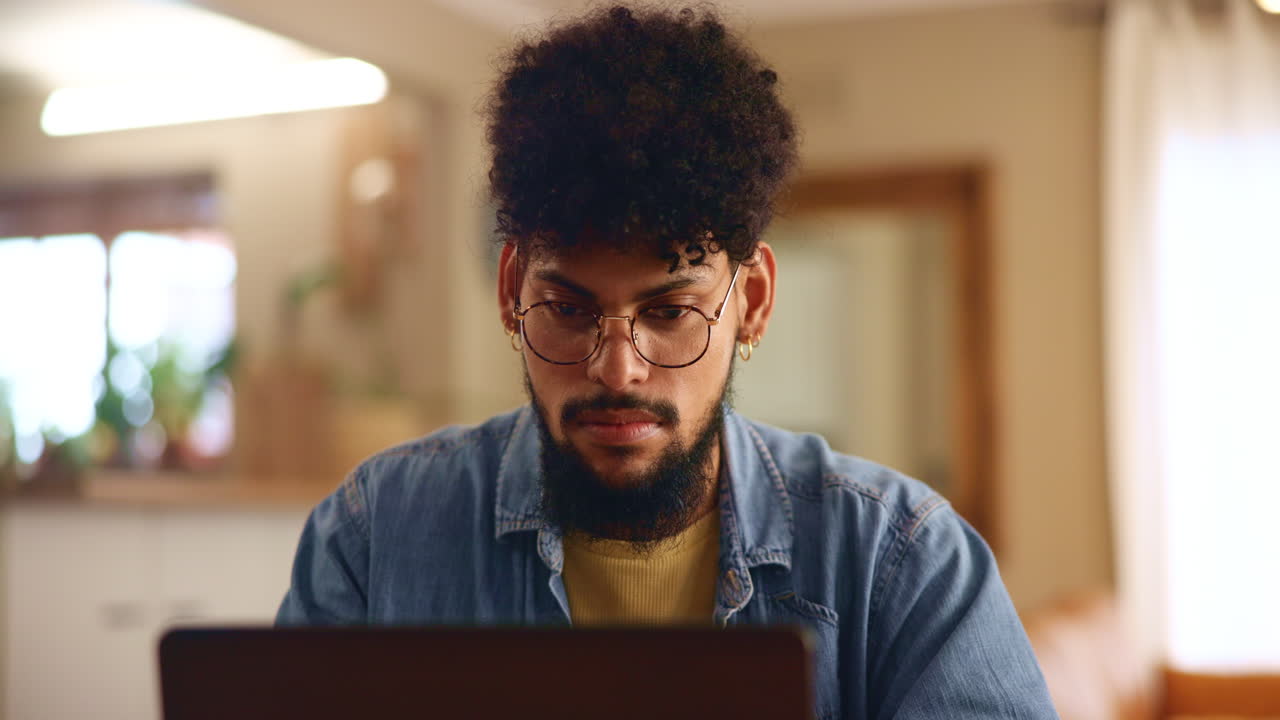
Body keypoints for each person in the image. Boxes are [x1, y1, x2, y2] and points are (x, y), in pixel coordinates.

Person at [277, 4, 1058, 717]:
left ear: (750, 303)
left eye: (670, 312)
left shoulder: (900, 563)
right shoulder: (377, 536)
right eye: (570, 309)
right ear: (512, 288)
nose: (618, 370)